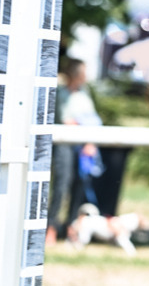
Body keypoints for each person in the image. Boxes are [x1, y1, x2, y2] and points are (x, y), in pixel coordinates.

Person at [48, 58, 104, 244]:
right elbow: (67, 120)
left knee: (79, 186)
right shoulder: (61, 93)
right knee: (61, 186)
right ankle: (51, 227)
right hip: (64, 143)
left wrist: (90, 142)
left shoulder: (85, 94)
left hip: (81, 145)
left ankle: (71, 226)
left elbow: (93, 120)